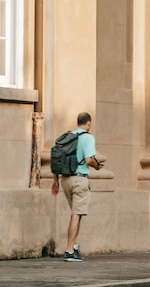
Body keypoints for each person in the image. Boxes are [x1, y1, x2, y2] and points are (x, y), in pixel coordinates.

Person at [51, 111, 103, 262]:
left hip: (65, 179)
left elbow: (57, 159)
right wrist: (97, 166)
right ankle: (68, 250)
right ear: (88, 123)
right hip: (80, 179)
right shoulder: (87, 137)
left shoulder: (67, 137)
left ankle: (73, 246)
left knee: (77, 213)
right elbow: (88, 159)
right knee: (77, 214)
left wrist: (55, 180)